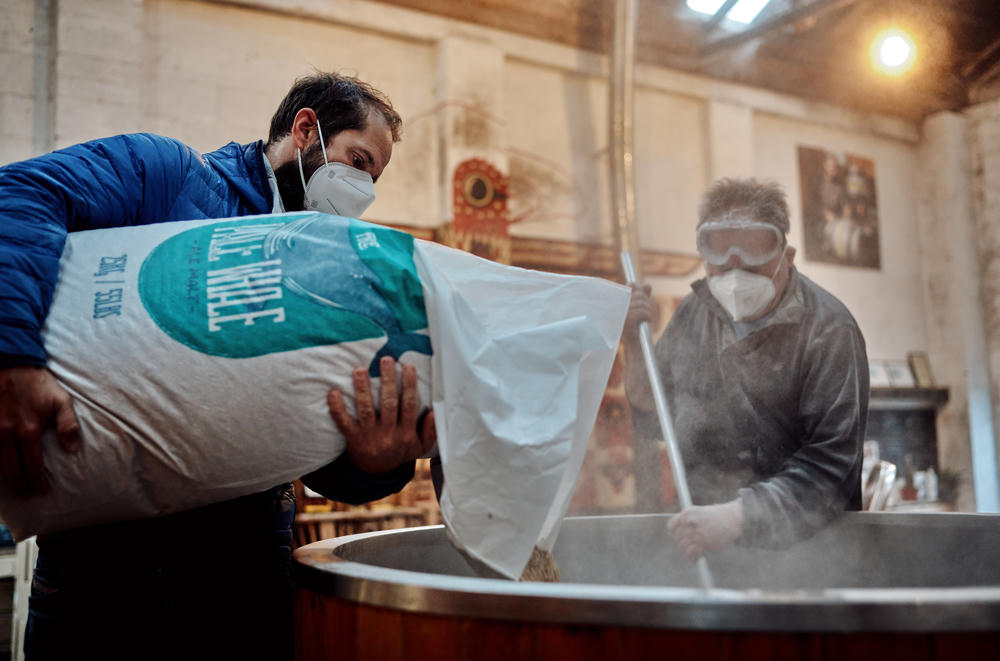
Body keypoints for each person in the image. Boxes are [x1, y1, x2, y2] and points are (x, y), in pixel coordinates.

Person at [0, 71, 436, 660]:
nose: (362, 191)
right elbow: (19, 198)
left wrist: (376, 467)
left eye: (373, 179)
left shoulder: (331, 273)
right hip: (99, 580)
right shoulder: (168, 177)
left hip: (245, 583)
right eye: (357, 161)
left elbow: (315, 444)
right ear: (305, 129)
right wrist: (14, 356)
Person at [623, 177, 868, 563]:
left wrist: (739, 516)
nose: (735, 273)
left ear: (787, 255)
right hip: (713, 551)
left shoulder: (828, 330)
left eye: (753, 254)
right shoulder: (694, 314)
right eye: (720, 256)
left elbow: (831, 468)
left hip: (813, 559)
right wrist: (633, 344)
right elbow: (655, 418)